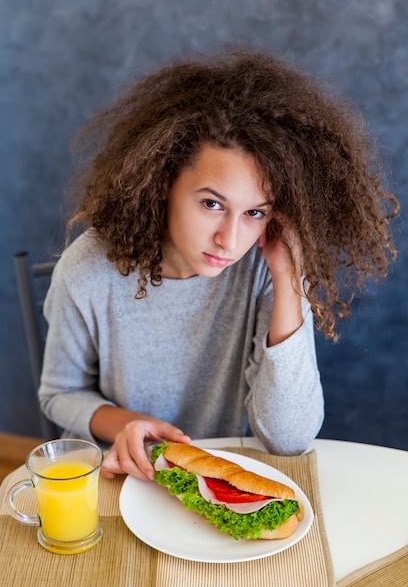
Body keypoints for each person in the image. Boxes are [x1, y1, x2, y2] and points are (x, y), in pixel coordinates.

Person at [38, 49, 398, 481]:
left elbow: (290, 438)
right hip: (119, 473)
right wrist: (128, 425)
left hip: (220, 476)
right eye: (212, 204)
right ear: (163, 182)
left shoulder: (265, 269)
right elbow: (60, 394)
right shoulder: (88, 270)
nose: (230, 240)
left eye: (255, 213)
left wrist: (289, 276)